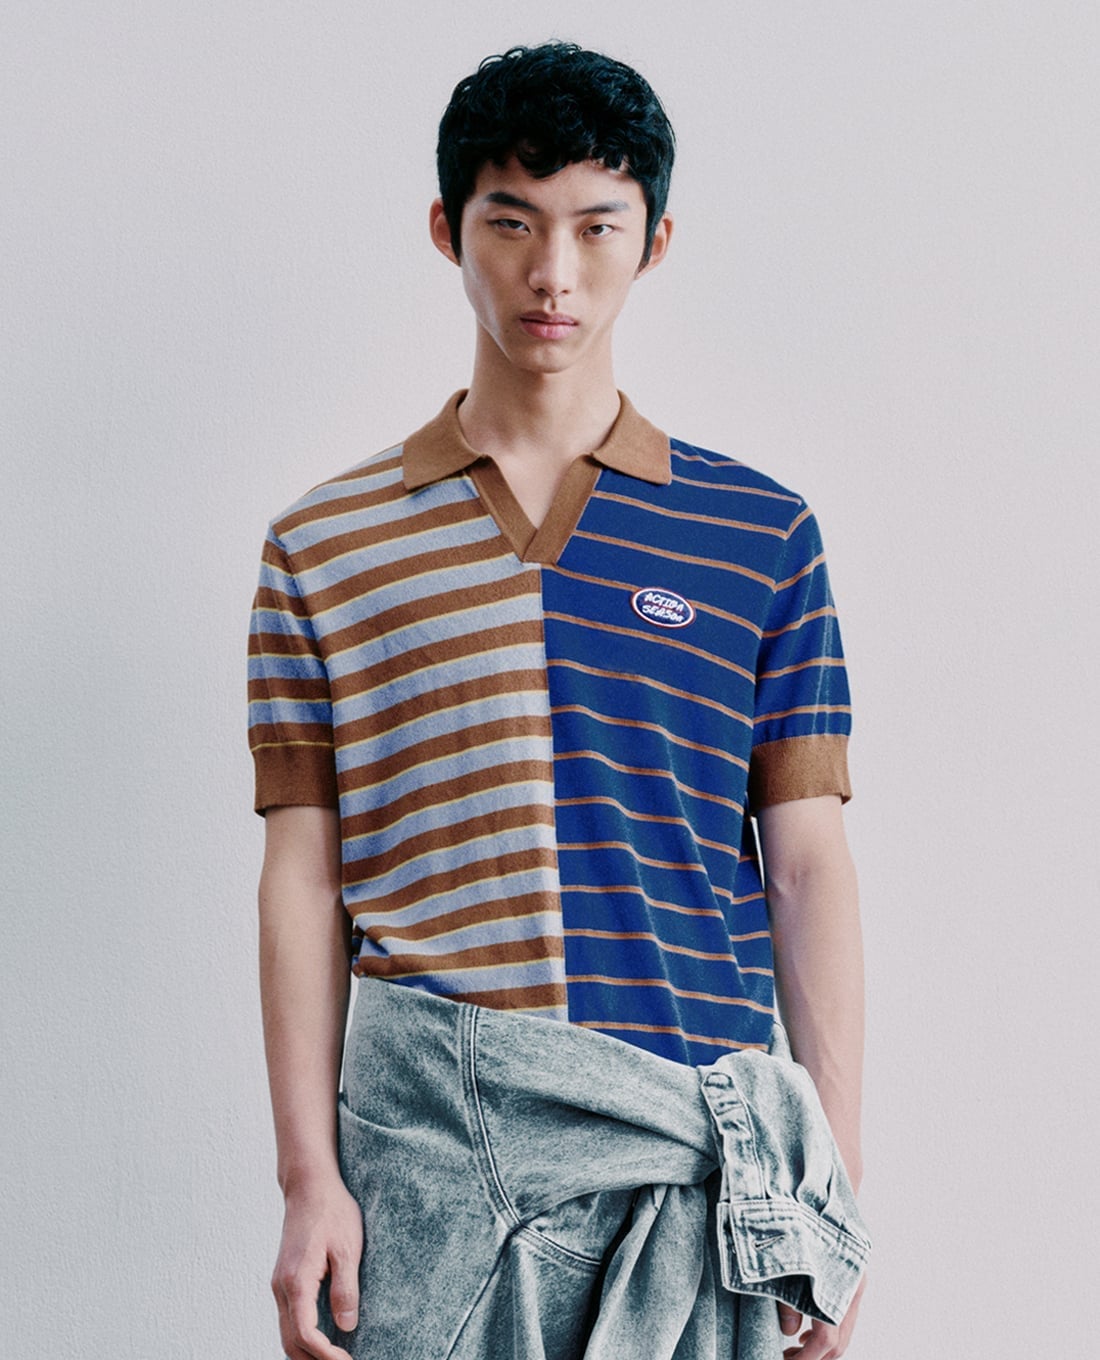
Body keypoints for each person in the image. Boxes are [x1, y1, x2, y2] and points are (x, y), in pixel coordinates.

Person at [249, 41, 866, 1360]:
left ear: (654, 243)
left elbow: (806, 868)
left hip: (693, 1171)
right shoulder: (324, 547)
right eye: (512, 222)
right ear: (447, 230)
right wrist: (309, 1181)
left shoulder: (760, 536)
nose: (553, 273)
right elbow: (302, 877)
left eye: (597, 226)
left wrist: (831, 1188)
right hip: (434, 1167)